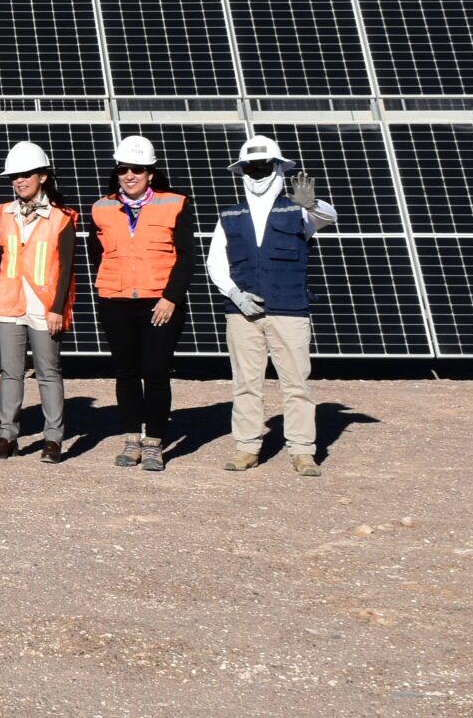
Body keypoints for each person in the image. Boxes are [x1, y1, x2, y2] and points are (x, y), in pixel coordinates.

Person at [210, 134, 339, 476]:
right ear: (242, 172)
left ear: (279, 168)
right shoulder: (230, 214)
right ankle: (247, 447)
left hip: (291, 311)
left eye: (263, 166)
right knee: (246, 383)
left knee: (296, 383)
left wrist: (310, 203)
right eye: (250, 167)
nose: (257, 172)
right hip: (243, 314)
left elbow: (329, 216)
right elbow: (216, 263)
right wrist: (234, 294)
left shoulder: (299, 210)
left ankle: (301, 450)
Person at [94, 133, 196, 472]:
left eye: (137, 169)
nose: (129, 175)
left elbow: (185, 257)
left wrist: (171, 298)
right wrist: (105, 293)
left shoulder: (175, 203)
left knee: (155, 372)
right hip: (116, 302)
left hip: (160, 304)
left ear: (151, 172)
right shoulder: (102, 208)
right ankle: (130, 439)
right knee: (126, 372)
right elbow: (100, 255)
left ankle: (153, 442)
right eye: (123, 169)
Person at [0, 140, 76, 462]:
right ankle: (7, 435)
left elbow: (66, 265)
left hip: (44, 305)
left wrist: (57, 308)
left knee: (48, 372)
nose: (19, 181)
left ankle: (53, 438)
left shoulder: (62, 217)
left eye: (26, 174)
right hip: (7, 304)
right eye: (14, 176)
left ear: (43, 176)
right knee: (10, 372)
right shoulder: (3, 213)